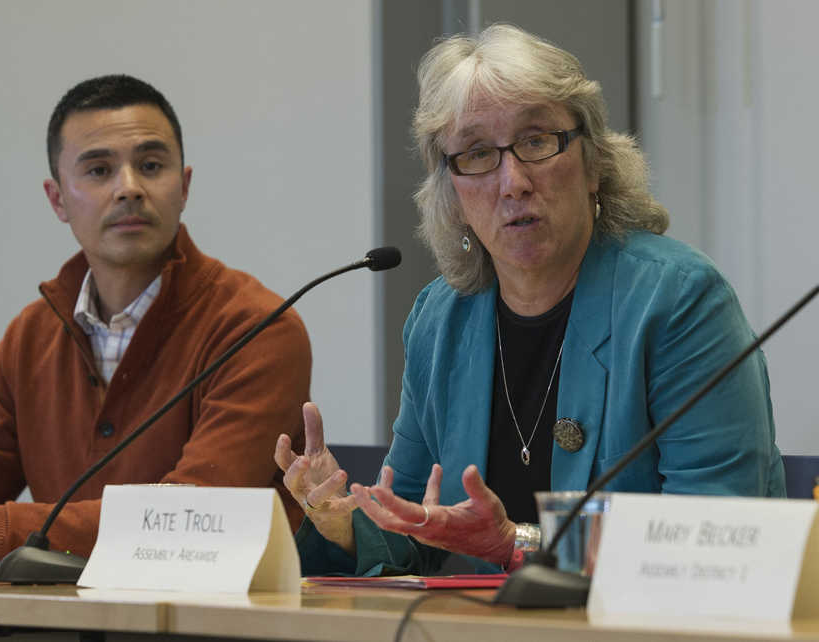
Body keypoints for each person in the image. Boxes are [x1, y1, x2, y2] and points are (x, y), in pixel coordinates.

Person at [276, 24, 785, 577]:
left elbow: (716, 539)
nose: (513, 181)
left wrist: (515, 544)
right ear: (453, 195)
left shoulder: (679, 302)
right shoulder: (440, 320)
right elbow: (414, 528)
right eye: (477, 154)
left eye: (537, 141)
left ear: (593, 163)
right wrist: (339, 519)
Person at [0, 75, 311, 563]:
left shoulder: (258, 329)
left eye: (150, 166)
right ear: (57, 199)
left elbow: (190, 520)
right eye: (99, 170)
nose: (129, 188)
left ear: (183, 187)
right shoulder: (33, 335)